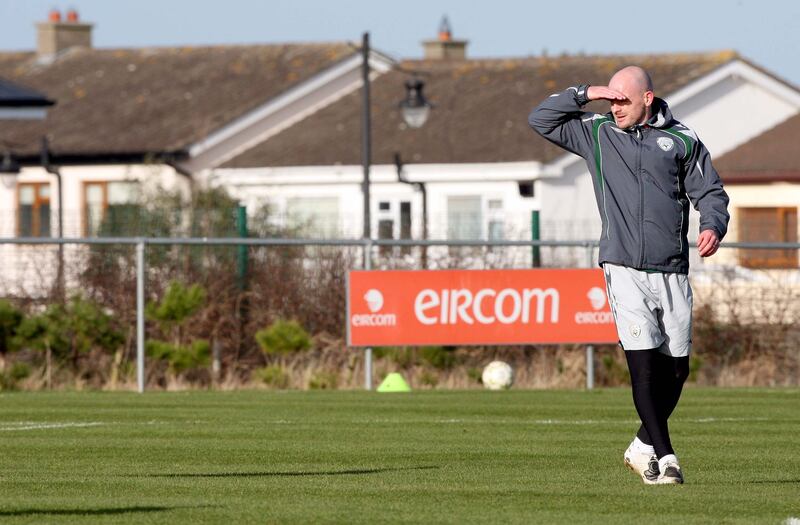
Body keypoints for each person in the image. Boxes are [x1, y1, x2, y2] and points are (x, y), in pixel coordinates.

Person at [528, 66, 730, 484]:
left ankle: (641, 446)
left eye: (623, 99)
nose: (615, 106)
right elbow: (540, 119)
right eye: (612, 99)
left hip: (671, 268)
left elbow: (710, 191)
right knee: (642, 369)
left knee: (676, 372)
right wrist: (586, 93)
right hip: (622, 267)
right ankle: (667, 457)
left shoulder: (682, 140)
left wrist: (713, 224)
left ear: (648, 99)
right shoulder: (597, 134)